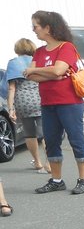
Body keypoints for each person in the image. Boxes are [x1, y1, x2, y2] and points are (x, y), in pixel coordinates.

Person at [23, 10, 84, 195]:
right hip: (47, 104)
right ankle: (56, 180)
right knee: (51, 142)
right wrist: (52, 73)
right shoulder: (39, 51)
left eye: (35, 26)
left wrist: (47, 72)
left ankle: (83, 180)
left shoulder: (66, 47)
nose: (33, 30)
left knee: (76, 140)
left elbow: (58, 70)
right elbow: (32, 75)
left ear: (48, 27)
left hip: (70, 103)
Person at [6, 38, 49, 174]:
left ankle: (37, 162)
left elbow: (11, 88)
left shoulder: (13, 63)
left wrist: (11, 108)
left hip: (23, 102)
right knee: (46, 134)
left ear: (17, 49)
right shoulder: (38, 61)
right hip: (41, 99)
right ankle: (49, 163)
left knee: (30, 134)